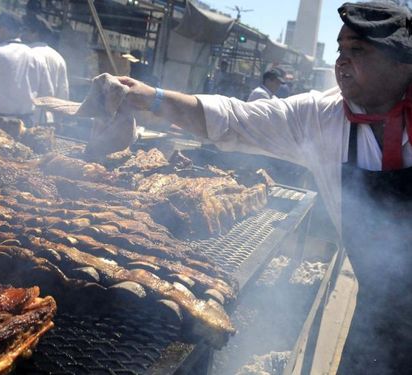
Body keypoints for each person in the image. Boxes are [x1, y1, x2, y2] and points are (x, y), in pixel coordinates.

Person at [100, 2, 412, 373]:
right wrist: (151, 97)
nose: (342, 61)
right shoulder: (320, 116)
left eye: (357, 50)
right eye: (340, 50)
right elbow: (235, 118)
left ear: (402, 62)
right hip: (378, 307)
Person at [22, 15, 69, 100]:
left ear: (34, 33)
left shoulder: (26, 54)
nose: (22, 34)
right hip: (48, 111)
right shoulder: (58, 58)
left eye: (25, 30)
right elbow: (63, 94)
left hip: (28, 111)